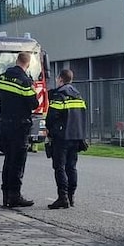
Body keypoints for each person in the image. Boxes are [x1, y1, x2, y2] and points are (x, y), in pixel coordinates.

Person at [0, 52, 38, 207]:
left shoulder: (2, 77)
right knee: (17, 162)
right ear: (28, 64)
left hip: (4, 126)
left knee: (8, 160)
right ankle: (15, 196)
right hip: (19, 127)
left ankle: (6, 196)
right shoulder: (24, 82)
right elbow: (34, 104)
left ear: (16, 61)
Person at [45, 69, 88, 209]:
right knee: (72, 167)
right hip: (76, 137)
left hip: (62, 137)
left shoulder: (59, 95)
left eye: (57, 79)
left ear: (60, 79)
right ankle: (71, 196)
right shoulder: (78, 96)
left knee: (60, 167)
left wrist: (50, 131)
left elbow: (51, 117)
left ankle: (62, 198)